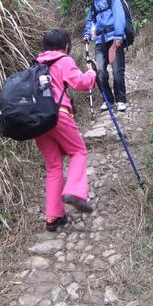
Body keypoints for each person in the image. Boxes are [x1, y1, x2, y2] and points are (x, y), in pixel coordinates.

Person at [35, 28, 97, 231]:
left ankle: (53, 217)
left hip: (38, 122)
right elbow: (82, 84)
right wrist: (91, 72)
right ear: (66, 47)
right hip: (58, 115)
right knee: (78, 151)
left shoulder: (36, 64)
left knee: (53, 166)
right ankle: (75, 192)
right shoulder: (63, 60)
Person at [82, 0, 128, 112]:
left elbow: (119, 15)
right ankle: (108, 100)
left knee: (117, 70)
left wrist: (118, 36)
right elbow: (90, 21)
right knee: (99, 71)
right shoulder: (93, 4)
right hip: (100, 41)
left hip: (114, 38)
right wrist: (87, 34)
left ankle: (121, 100)